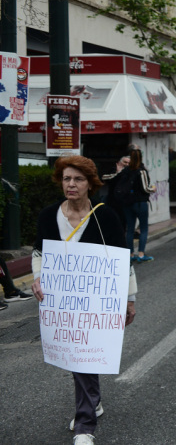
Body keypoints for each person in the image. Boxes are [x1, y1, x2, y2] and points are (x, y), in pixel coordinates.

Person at [30, 155, 137, 444]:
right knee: (75, 355)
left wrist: (129, 298)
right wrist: (37, 278)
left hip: (97, 302)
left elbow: (122, 259)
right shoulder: (48, 216)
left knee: (84, 356)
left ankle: (85, 425)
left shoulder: (105, 216)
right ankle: (93, 402)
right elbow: (39, 253)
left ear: (90, 183)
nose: (71, 184)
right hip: (61, 301)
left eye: (78, 179)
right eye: (66, 178)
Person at [121, 149, 155, 262]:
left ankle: (130, 255)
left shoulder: (125, 170)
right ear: (141, 157)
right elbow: (145, 188)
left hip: (127, 203)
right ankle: (141, 254)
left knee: (129, 229)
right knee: (144, 228)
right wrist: (153, 189)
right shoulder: (141, 171)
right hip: (140, 203)